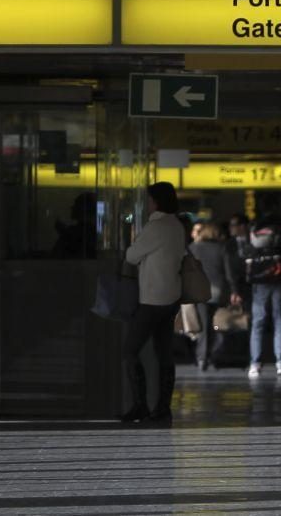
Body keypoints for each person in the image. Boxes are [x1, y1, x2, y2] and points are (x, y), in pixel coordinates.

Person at [121, 182, 186, 427]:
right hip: (171, 298)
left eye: (149, 200)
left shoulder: (156, 226)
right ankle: (163, 408)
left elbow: (131, 256)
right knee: (164, 354)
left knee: (130, 351)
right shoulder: (177, 225)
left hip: (151, 299)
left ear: (156, 201)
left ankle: (140, 405)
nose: (146, 204)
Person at [246, 193, 281, 378]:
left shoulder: (255, 225)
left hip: (260, 278)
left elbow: (247, 251)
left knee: (258, 321)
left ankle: (255, 364)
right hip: (280, 277)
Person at [189, 221, 229, 371]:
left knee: (204, 324)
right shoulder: (221, 249)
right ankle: (211, 354)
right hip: (218, 290)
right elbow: (228, 271)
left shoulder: (193, 248)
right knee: (214, 324)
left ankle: (202, 357)